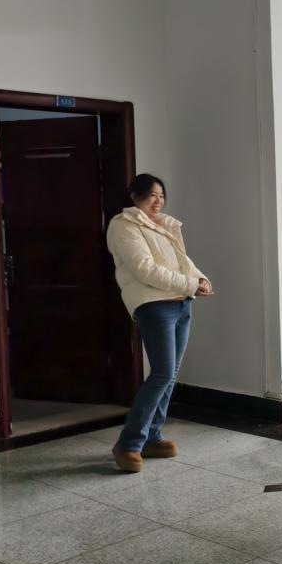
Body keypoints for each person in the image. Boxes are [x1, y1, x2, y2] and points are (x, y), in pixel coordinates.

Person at [106, 173, 213, 473]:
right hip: (154, 306)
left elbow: (182, 262)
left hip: (181, 303)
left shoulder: (164, 225)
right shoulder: (123, 225)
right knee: (163, 373)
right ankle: (128, 443)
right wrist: (190, 284)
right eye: (152, 195)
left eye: (162, 195)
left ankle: (152, 437)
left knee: (170, 374)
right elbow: (145, 269)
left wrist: (200, 278)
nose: (158, 201)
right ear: (135, 196)